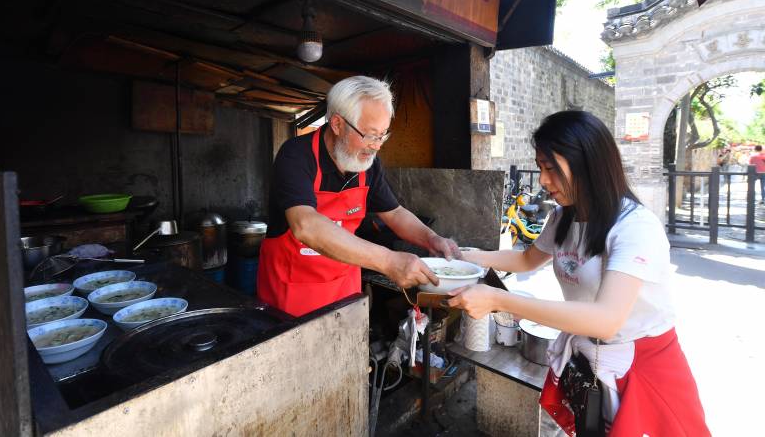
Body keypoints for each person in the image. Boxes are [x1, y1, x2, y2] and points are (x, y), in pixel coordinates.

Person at [447, 111, 709, 436]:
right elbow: (527, 260)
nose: (543, 180)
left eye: (551, 168)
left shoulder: (634, 227)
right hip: (590, 358)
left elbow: (606, 319)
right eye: (541, 167)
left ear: (588, 163)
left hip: (643, 367)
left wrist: (500, 299)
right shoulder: (563, 218)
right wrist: (466, 257)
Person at [257, 76, 460, 316]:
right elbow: (305, 225)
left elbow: (394, 213)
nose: (376, 146)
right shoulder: (296, 156)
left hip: (345, 295)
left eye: (383, 135)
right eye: (370, 134)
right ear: (337, 124)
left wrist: (431, 238)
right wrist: (388, 261)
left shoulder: (367, 164)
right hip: (291, 298)